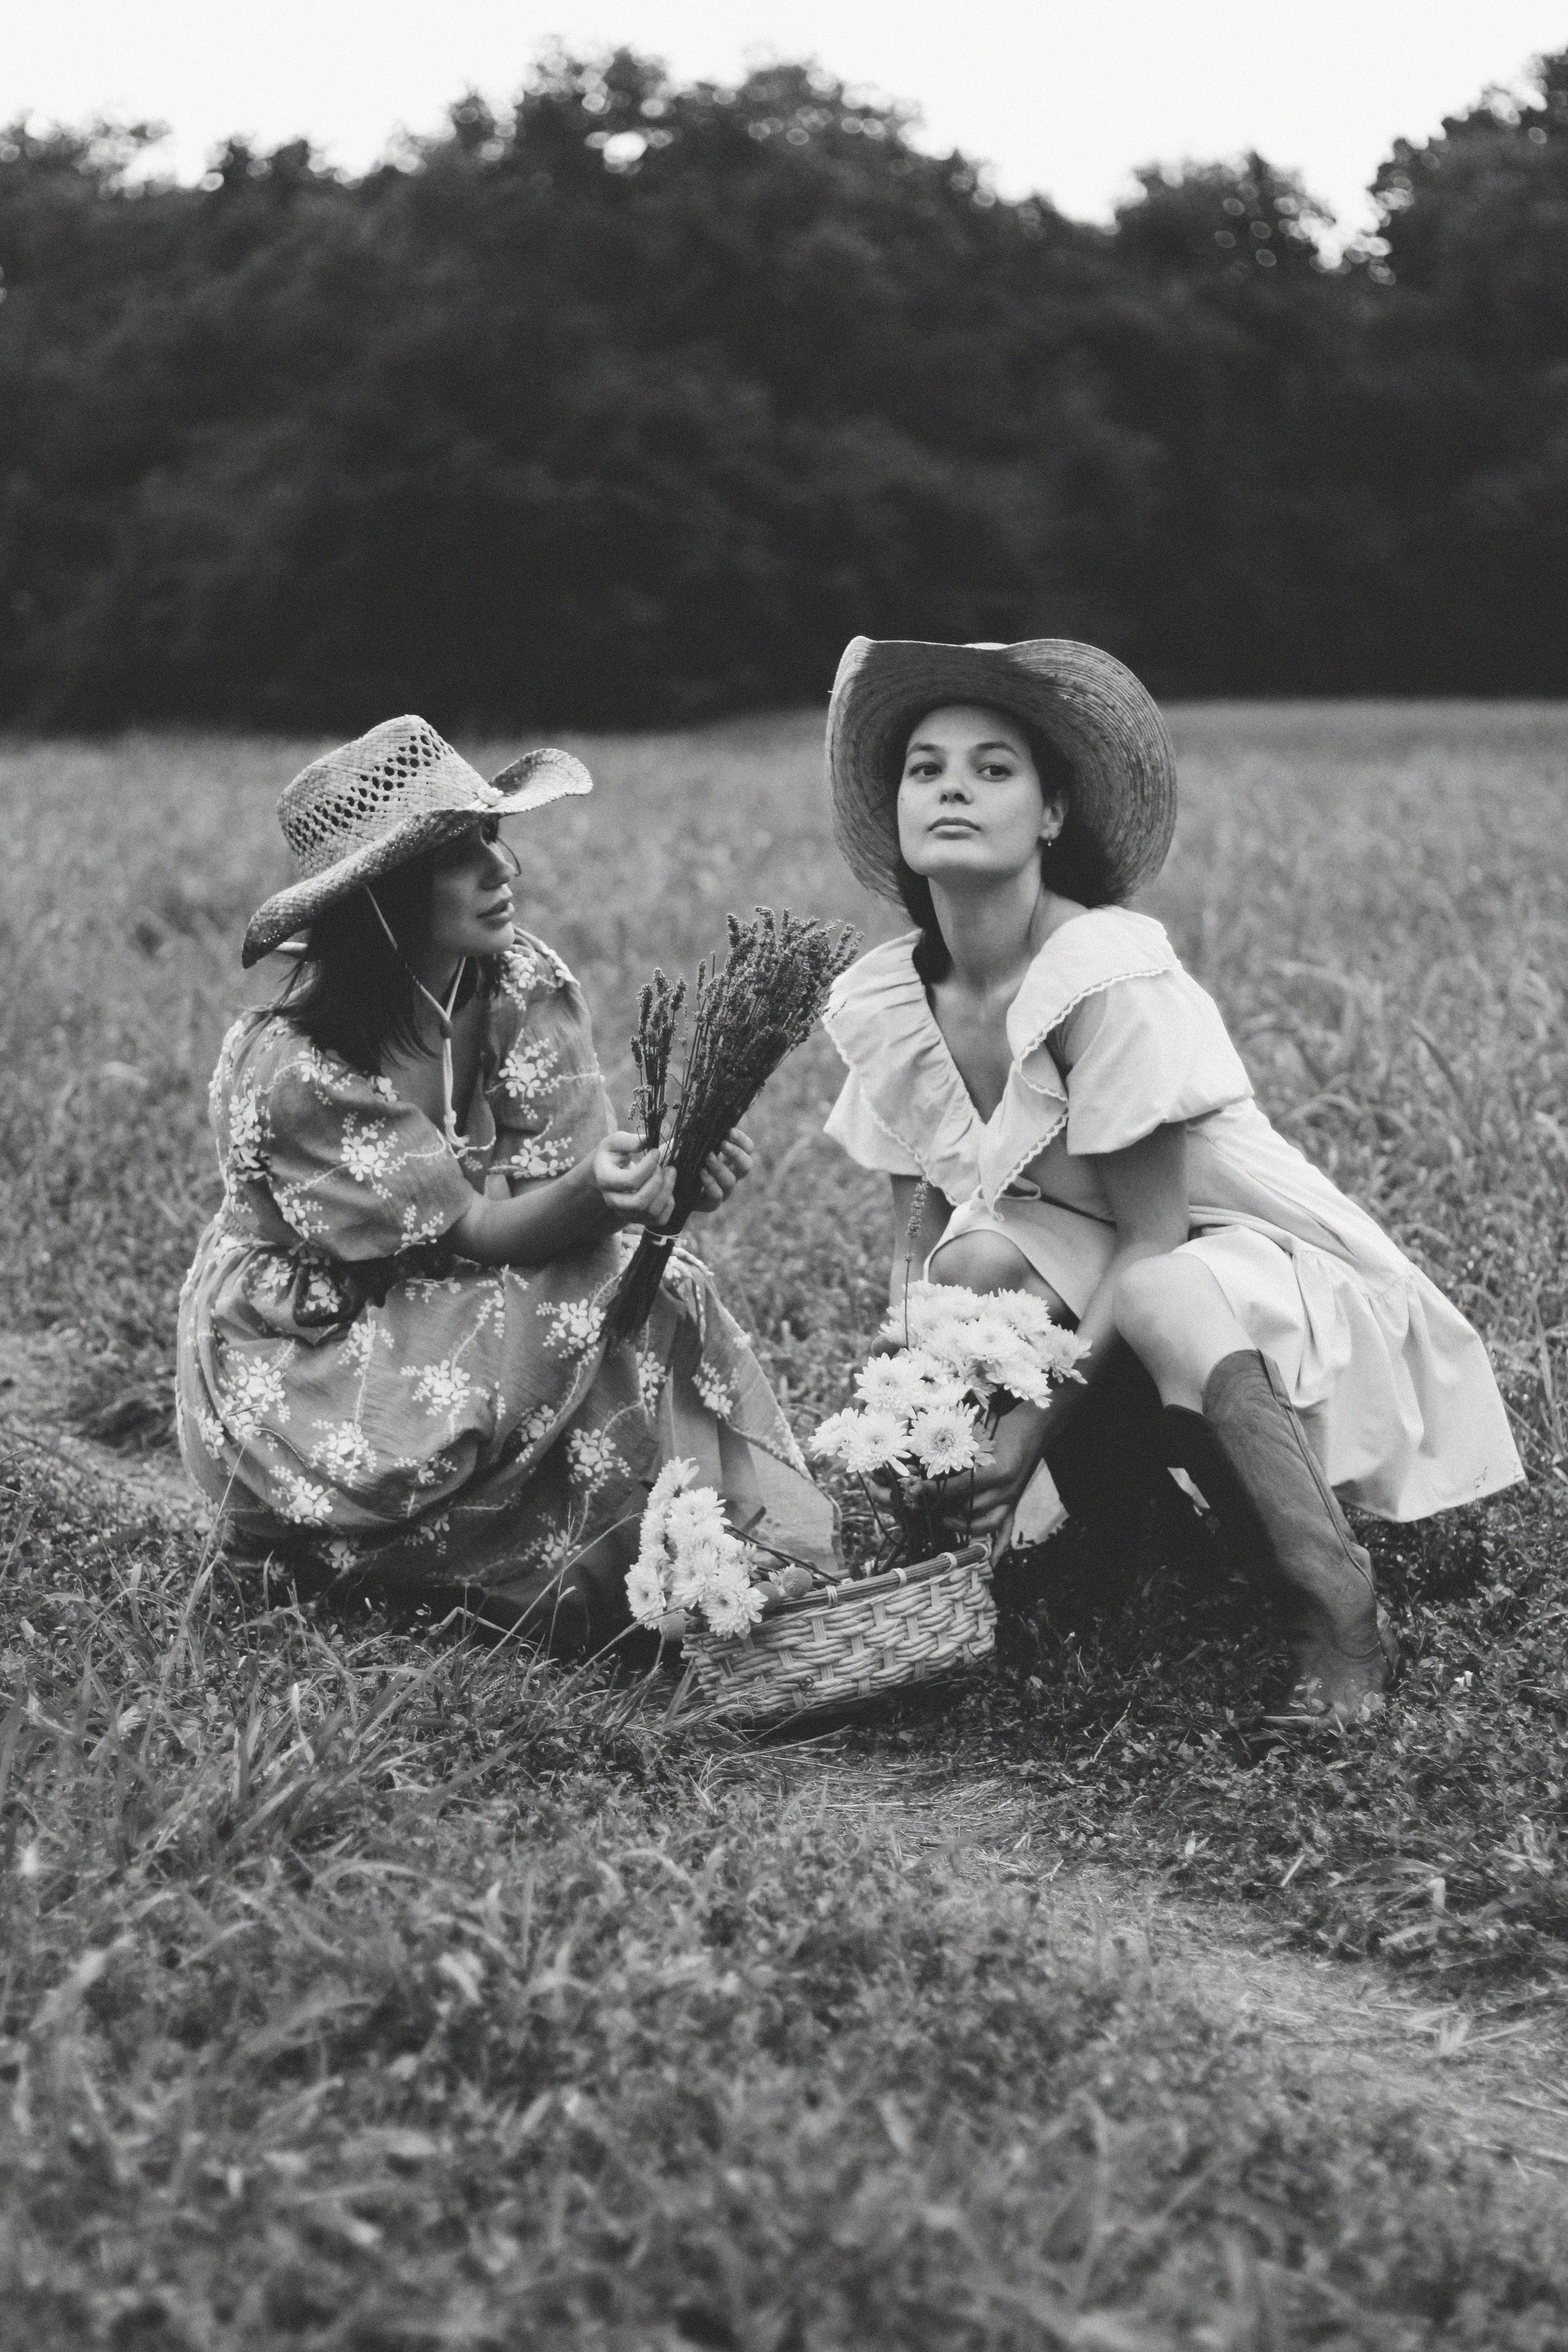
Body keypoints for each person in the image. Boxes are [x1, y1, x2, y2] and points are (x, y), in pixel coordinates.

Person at [820, 636, 1522, 1724]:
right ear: (900, 811)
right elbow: (917, 1250)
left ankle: (1332, 1603)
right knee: (972, 1264)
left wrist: (1026, 1432)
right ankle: (1136, 1541)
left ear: (1052, 815)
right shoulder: (894, 1005)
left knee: (1156, 1292)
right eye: (926, 768)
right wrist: (917, 1419)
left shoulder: (1106, 974)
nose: (953, 787)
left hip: (1242, 1271)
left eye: (994, 769)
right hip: (1107, 1276)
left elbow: (1152, 1239)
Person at [176, 715, 834, 1649]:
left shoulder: (515, 979)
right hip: (313, 1351)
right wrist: (600, 1194)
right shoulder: (296, 1069)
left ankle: (718, 1564)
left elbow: (555, 1203)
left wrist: (663, 1181)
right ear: (378, 899)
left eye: (492, 835)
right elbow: (481, 1233)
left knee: (657, 1282)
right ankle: (376, 1553)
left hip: (449, 1292)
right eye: (458, 855)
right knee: (601, 1295)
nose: (501, 868)